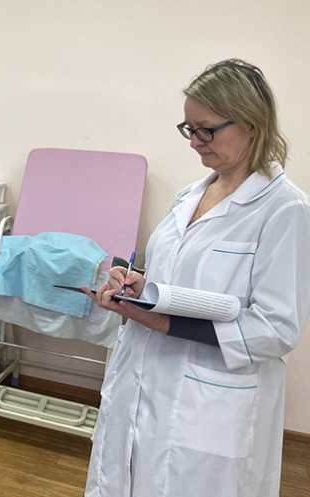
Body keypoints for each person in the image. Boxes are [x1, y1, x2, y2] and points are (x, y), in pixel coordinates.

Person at [84, 59, 310, 496]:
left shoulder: (285, 210)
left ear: (251, 124)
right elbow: (181, 278)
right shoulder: (189, 195)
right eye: (189, 129)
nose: (194, 142)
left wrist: (160, 319)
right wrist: (140, 285)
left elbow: (277, 327)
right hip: (141, 382)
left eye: (206, 130)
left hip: (211, 406)